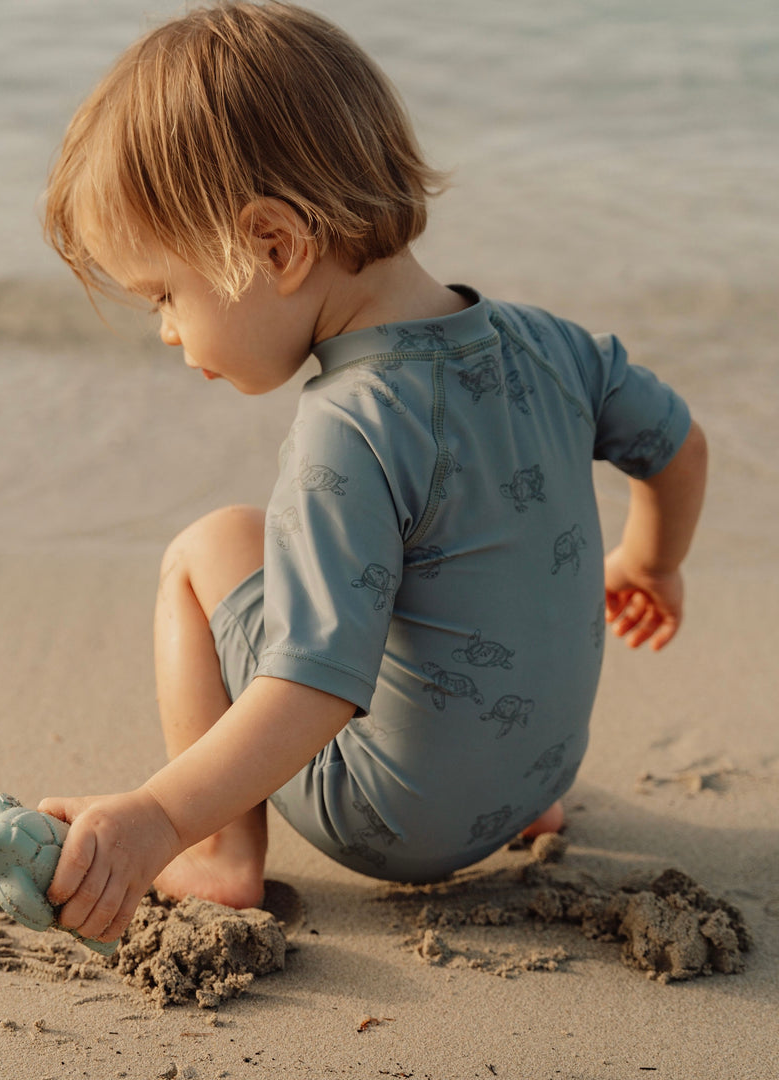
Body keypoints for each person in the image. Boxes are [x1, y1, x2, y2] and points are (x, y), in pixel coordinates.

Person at [34, 1, 708, 946]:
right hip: (541, 770)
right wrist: (651, 561)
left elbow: (312, 688)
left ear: (274, 245)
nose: (171, 335)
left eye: (164, 295)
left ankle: (225, 855)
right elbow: (679, 447)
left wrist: (156, 816)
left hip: (391, 821)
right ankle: (519, 807)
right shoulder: (552, 345)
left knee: (206, 548)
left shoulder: (349, 426)